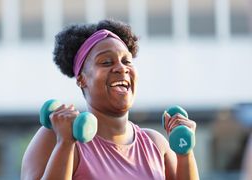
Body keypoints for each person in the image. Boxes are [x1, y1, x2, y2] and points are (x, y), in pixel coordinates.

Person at [21, 19, 199, 180]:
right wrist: (65, 143)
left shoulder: (156, 145)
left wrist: (185, 154)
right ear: (82, 78)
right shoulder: (58, 134)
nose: (121, 68)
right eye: (106, 62)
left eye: (127, 61)